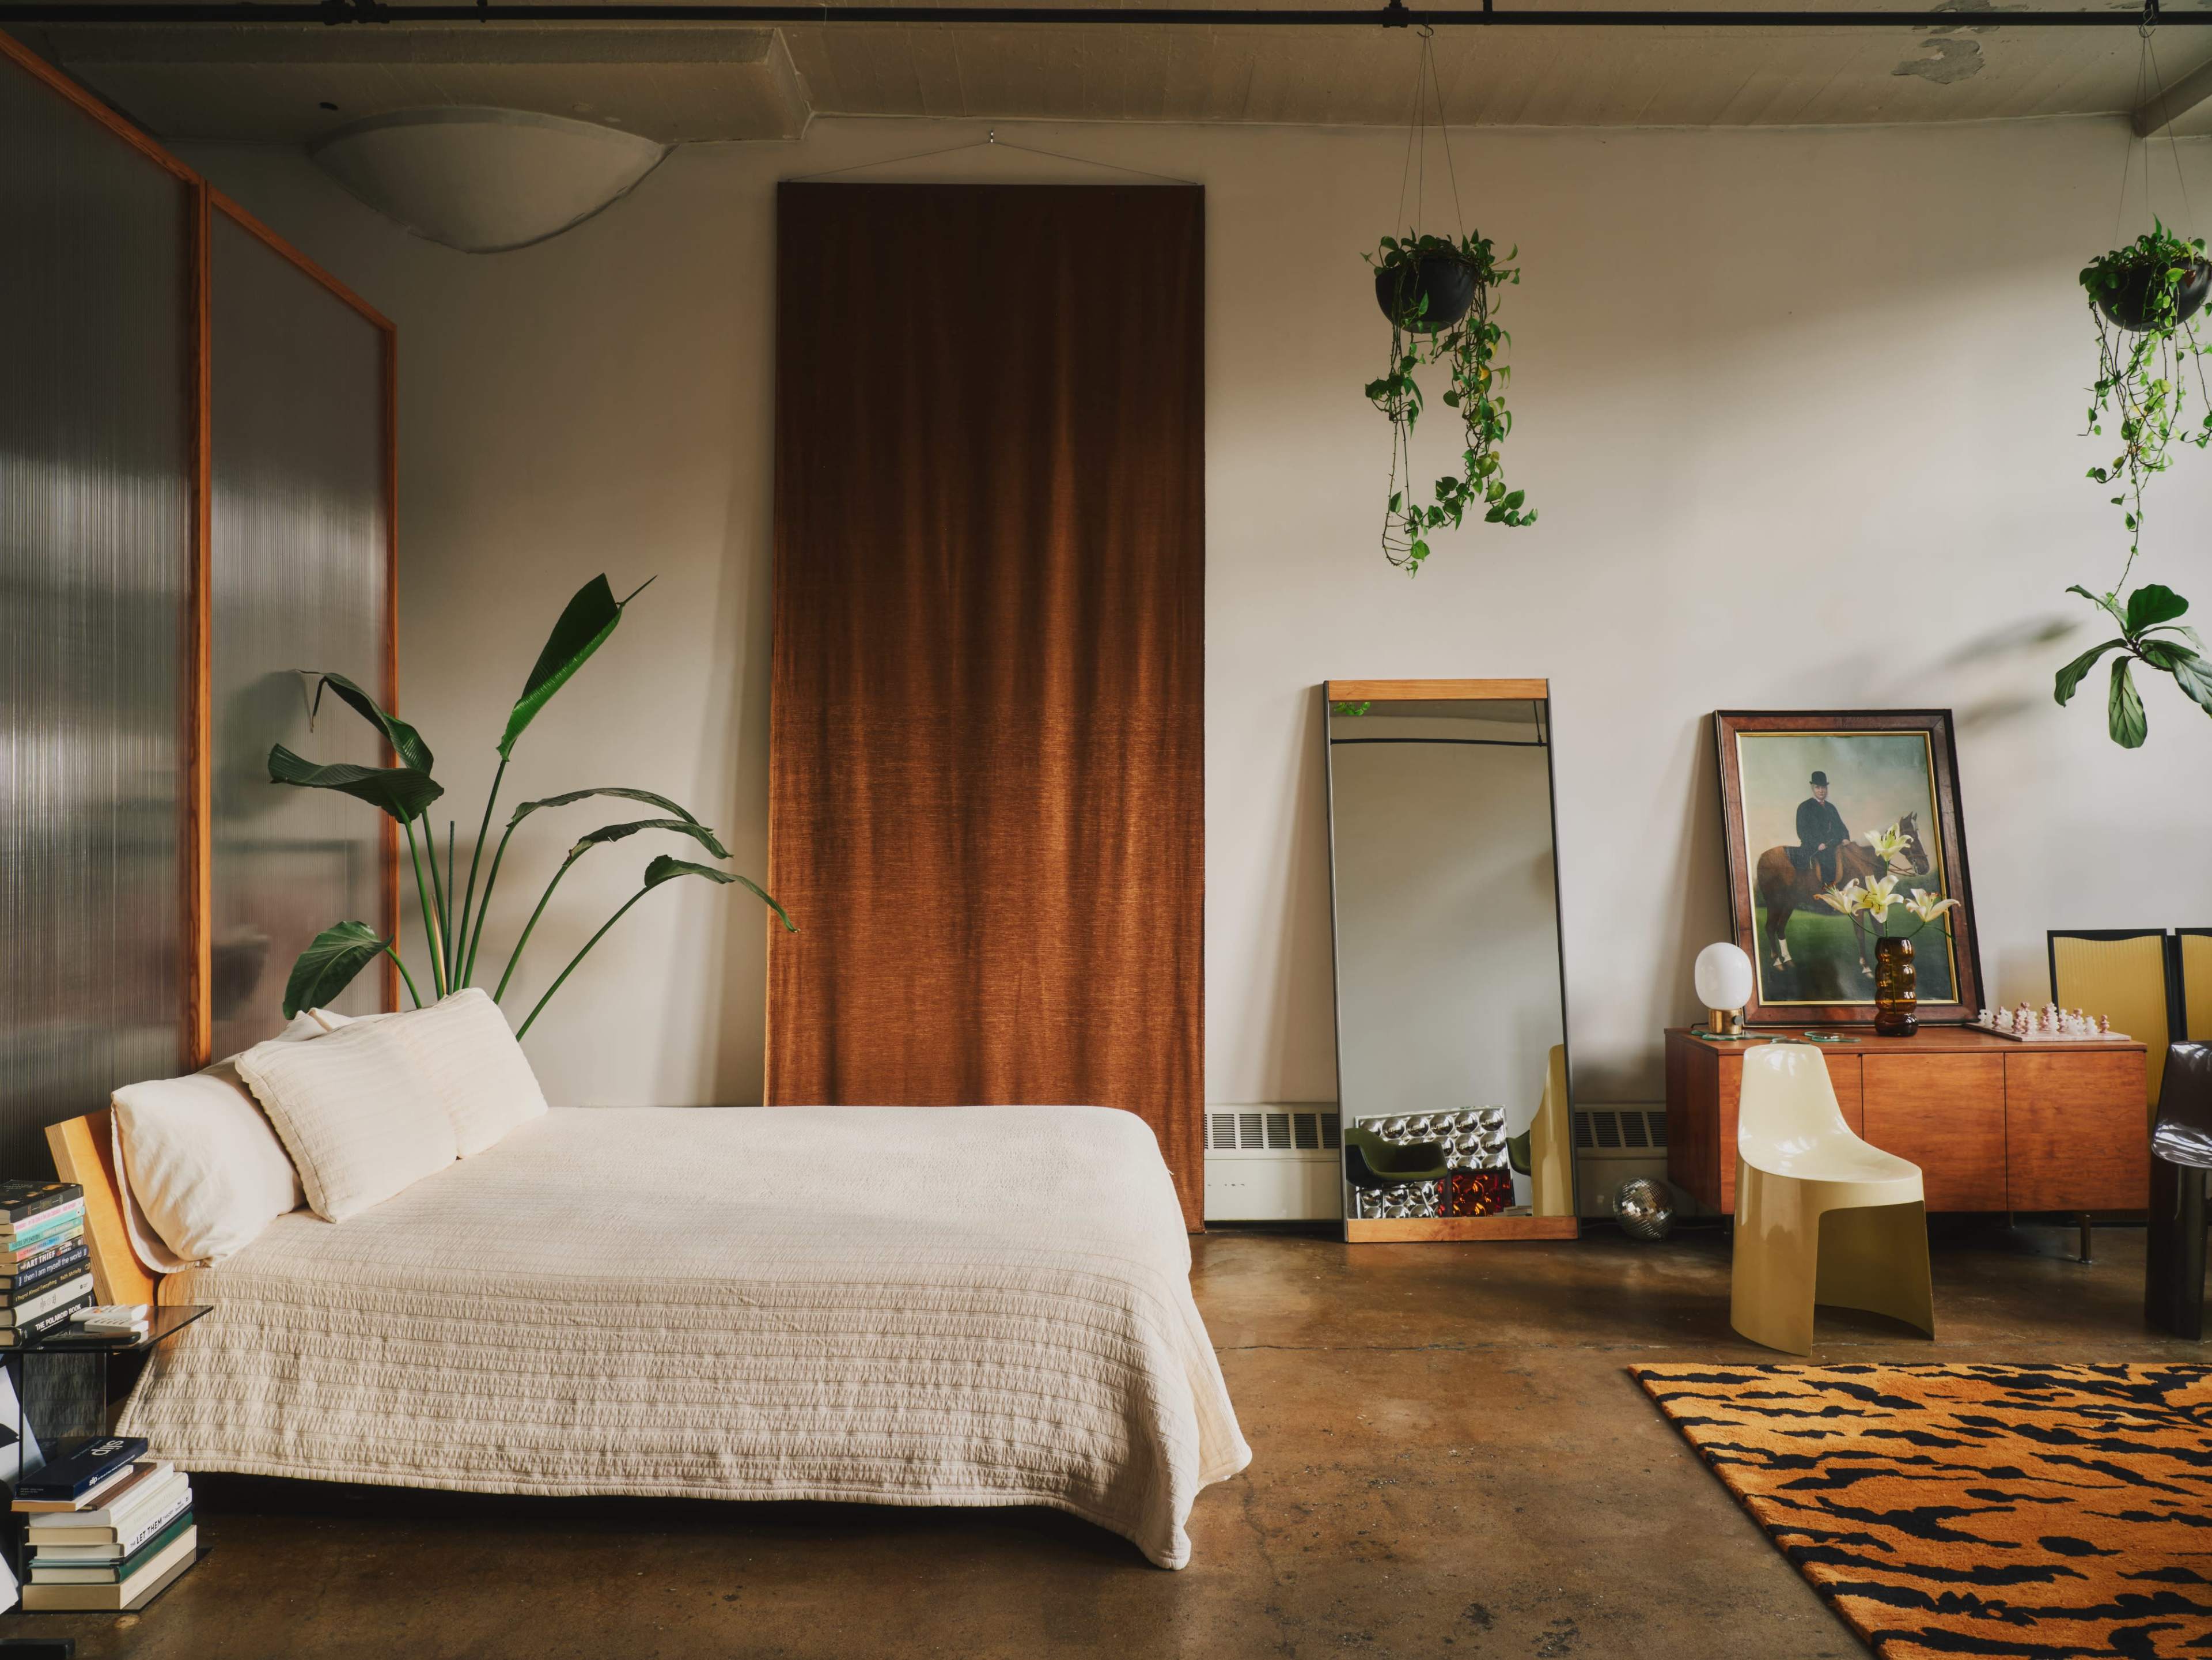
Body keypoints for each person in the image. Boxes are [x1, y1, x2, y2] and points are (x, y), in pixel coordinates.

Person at [1791, 771, 1850, 888]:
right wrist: (1817, 844)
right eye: (1818, 788)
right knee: (1827, 862)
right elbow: (1802, 831)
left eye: (1824, 787)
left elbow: (1841, 826)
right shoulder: (1804, 807)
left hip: (1832, 846)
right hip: (1813, 847)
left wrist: (1845, 838)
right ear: (1813, 788)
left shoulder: (1831, 807)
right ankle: (1828, 894)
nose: (1821, 791)